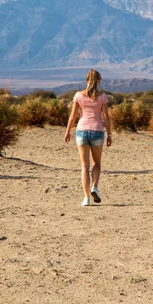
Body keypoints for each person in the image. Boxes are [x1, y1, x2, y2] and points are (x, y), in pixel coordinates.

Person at [64, 69, 112, 206]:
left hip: (82, 131)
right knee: (96, 163)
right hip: (97, 131)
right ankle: (94, 187)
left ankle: (86, 198)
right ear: (99, 81)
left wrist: (67, 131)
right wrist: (109, 134)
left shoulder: (78, 95)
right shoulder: (103, 97)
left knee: (84, 165)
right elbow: (106, 117)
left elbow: (73, 116)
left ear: (86, 80)